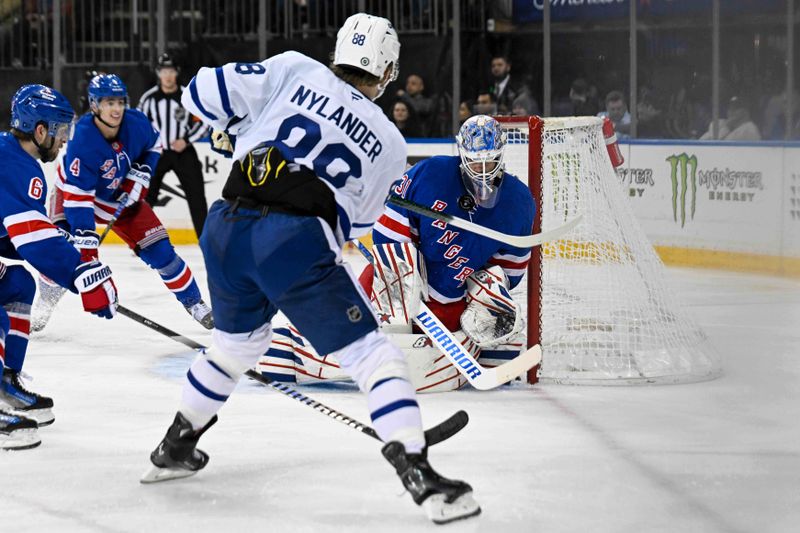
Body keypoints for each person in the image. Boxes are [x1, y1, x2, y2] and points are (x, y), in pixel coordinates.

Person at [140, 13, 480, 524]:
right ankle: (420, 474)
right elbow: (357, 222)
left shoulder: (294, 68)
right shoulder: (389, 140)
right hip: (295, 237)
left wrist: (238, 128)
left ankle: (176, 443)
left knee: (237, 345)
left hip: (225, 226)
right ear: (387, 74)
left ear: (336, 52)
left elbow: (199, 93)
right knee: (372, 355)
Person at [259, 116, 534, 393]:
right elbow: (387, 235)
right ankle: (292, 350)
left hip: (451, 301)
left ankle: (470, 350)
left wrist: (484, 294)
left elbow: (509, 272)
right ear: (462, 153)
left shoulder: (519, 203)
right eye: (476, 162)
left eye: (490, 161)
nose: (483, 171)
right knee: (373, 291)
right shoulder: (431, 174)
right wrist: (407, 282)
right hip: (393, 285)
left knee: (497, 310)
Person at [40, 74, 213, 330]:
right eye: (109, 103)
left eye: (120, 102)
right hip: (73, 197)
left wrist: (142, 171)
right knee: (63, 254)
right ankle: (44, 305)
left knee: (163, 253)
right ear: (95, 105)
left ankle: (195, 303)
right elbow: (79, 202)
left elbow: (155, 144)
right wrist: (89, 259)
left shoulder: (136, 123)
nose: (117, 109)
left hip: (119, 198)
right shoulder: (83, 141)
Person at [0, 84, 118, 449]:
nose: (65, 141)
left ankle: (5, 380)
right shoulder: (16, 165)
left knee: (18, 285)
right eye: (61, 132)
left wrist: (71, 258)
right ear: (40, 131)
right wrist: (80, 272)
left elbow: (14, 235)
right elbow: (31, 237)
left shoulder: (12, 155)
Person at [138, 53, 210, 238]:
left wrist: (186, 140)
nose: (167, 75)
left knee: (197, 197)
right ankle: (140, 236)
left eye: (171, 71)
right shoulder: (149, 99)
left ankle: (205, 240)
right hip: (158, 154)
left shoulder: (188, 96)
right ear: (158, 73)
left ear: (177, 72)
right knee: (145, 196)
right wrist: (152, 144)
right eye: (164, 71)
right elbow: (139, 125)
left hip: (183, 152)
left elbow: (203, 121)